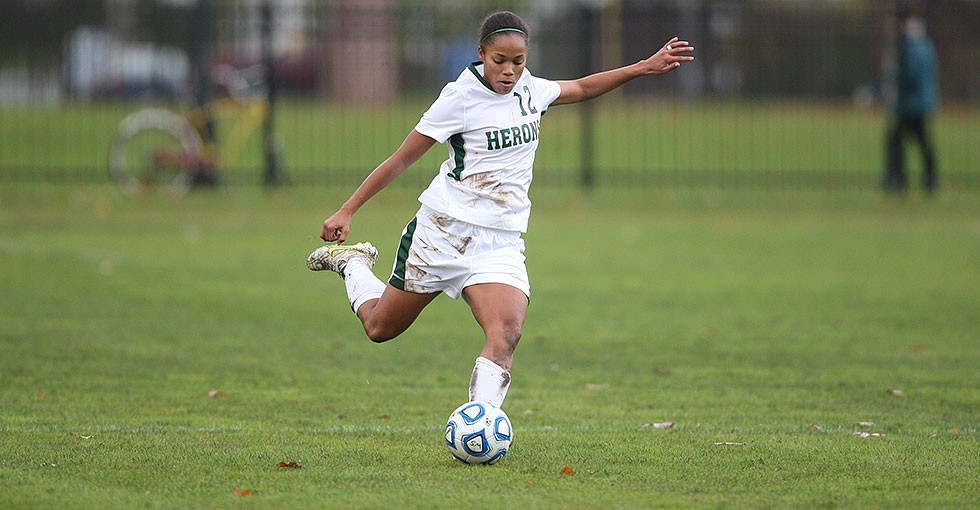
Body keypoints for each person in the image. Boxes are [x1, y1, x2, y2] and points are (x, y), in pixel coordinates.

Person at [307, 11, 694, 409]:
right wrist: (347, 210)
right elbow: (401, 160)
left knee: (506, 334)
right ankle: (353, 264)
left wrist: (642, 68)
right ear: (481, 54)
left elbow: (579, 87)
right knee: (379, 328)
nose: (509, 71)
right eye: (499, 61)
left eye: (518, 61)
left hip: (500, 242)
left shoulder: (530, 89)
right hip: (443, 233)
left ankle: (481, 423)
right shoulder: (459, 97)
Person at [883, 0, 939, 193]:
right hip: (917, 102)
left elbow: (910, 75)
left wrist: (896, 86)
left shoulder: (910, 47)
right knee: (918, 141)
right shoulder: (923, 45)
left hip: (910, 103)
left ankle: (898, 178)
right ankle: (926, 179)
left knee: (899, 141)